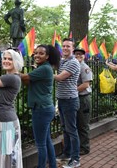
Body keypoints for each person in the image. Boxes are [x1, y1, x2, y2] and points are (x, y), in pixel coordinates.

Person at [20, 45, 60, 168]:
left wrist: (14, 71)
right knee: (47, 141)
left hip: (41, 110)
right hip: (45, 108)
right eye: (36, 53)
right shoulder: (43, 68)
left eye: (41, 53)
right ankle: (52, 165)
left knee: (41, 144)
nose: (37, 55)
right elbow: (28, 81)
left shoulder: (44, 69)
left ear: (47, 56)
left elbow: (25, 77)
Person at [54, 38, 81, 168]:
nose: (65, 48)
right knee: (65, 129)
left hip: (70, 100)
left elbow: (59, 77)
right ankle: (66, 154)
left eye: (68, 46)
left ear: (72, 48)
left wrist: (44, 73)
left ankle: (75, 159)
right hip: (62, 99)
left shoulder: (74, 63)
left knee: (71, 130)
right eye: (63, 46)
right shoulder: (63, 61)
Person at [74, 48, 93, 156]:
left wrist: (72, 91)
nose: (78, 56)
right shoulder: (74, 66)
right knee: (76, 123)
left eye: (80, 54)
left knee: (83, 124)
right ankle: (78, 146)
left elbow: (86, 85)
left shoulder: (85, 68)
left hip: (83, 98)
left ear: (83, 56)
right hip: (76, 97)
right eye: (76, 54)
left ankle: (84, 148)